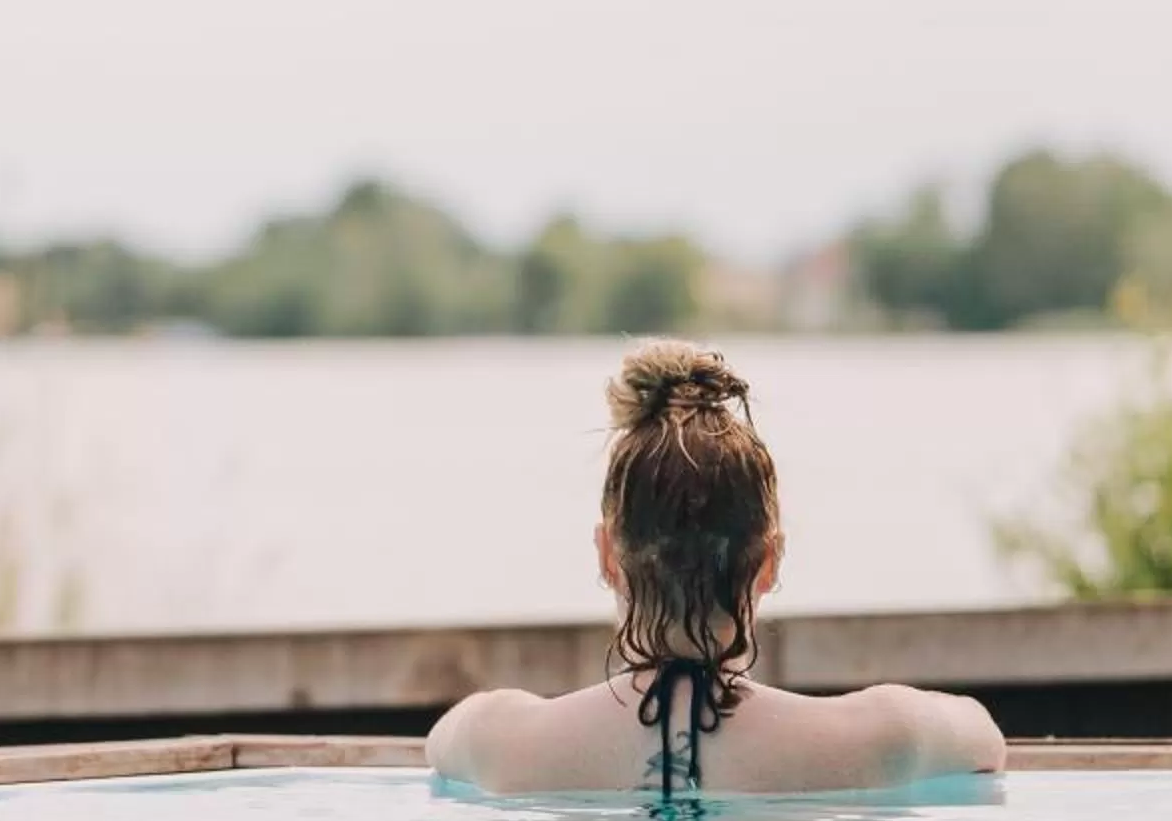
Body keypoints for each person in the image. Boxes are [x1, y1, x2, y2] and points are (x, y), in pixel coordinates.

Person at [426, 339, 1006, 796]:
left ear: (607, 555)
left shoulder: (501, 740)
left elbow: (440, 744)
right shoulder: (888, 734)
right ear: (769, 561)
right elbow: (985, 739)